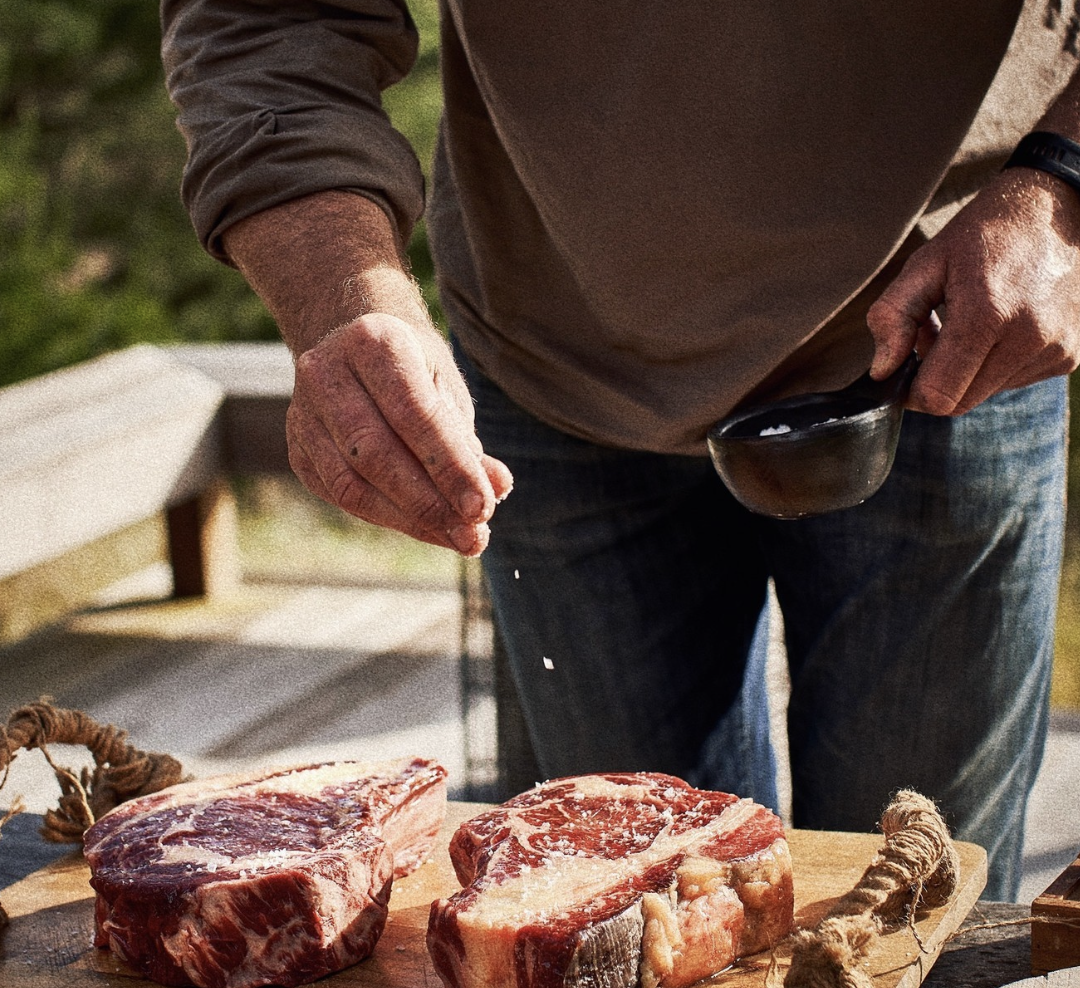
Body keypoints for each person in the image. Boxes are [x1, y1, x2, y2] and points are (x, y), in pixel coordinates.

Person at [161, 2, 1080, 900]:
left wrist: (1064, 187)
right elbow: (263, 16)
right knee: (606, 917)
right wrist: (342, 297)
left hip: (953, 337)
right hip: (549, 359)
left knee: (913, 921)